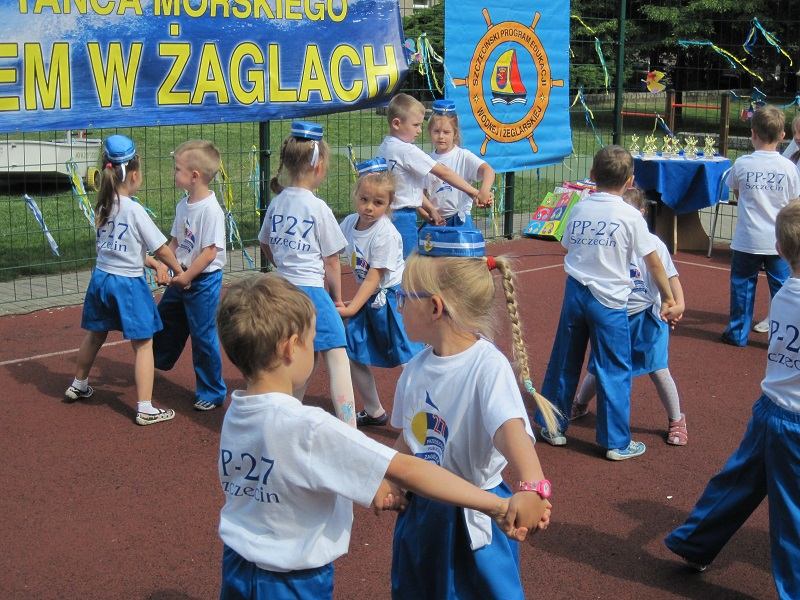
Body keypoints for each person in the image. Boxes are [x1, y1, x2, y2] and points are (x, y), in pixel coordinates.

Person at [215, 273, 537, 599]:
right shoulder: (309, 427)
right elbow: (405, 467)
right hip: (291, 582)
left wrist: (379, 487)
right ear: (289, 349)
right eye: (312, 342)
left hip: (237, 564)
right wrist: (498, 505)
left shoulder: (237, 413)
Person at [389, 227, 556, 599]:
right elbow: (409, 439)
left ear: (435, 307)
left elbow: (510, 430)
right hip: (423, 516)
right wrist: (389, 479)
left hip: (477, 517)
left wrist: (533, 487)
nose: (398, 306)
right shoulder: (414, 370)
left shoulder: (486, 366)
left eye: (403, 296)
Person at [664, 199, 800, 600]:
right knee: (791, 512)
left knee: (739, 481)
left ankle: (695, 542)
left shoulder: (786, 294)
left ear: (780, 248)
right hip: (793, 420)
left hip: (772, 408)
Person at [537, 145, 678, 461]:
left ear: (591, 175)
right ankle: (616, 442)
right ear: (630, 181)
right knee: (614, 367)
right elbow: (653, 261)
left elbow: (567, 245)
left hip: (576, 293)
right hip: (611, 301)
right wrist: (668, 297)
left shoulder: (580, 208)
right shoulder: (631, 216)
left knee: (564, 360)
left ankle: (553, 427)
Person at [64, 135, 184, 426]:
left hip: (101, 279)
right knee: (143, 343)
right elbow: (161, 248)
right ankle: (145, 407)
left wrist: (152, 263)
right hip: (128, 285)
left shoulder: (103, 205)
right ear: (134, 174)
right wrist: (178, 270)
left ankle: (78, 384)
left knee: (95, 334)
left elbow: (120, 249)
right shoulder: (135, 210)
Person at [570, 188, 688, 445]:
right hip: (615, 314)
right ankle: (580, 403)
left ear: (641, 214)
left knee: (658, 369)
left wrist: (678, 304)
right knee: (600, 367)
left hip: (647, 317)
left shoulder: (654, 244)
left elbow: (671, 276)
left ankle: (676, 418)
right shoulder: (612, 240)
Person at [257, 121, 356, 426]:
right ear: (319, 166)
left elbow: (264, 242)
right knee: (337, 355)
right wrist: (337, 298)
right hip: (311, 291)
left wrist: (281, 265)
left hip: (282, 289)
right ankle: (349, 426)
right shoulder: (318, 207)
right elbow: (332, 260)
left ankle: (287, 418)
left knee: (296, 356)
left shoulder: (277, 202)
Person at [336, 158, 423, 427]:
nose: (369, 207)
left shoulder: (385, 233)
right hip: (369, 297)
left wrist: (351, 308)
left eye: (378, 202)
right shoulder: (350, 223)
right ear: (355, 196)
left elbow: (374, 276)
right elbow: (331, 249)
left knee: (409, 357)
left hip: (392, 299)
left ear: (389, 204)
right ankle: (374, 410)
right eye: (364, 199)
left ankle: (426, 410)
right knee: (352, 350)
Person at [152, 140, 228, 411]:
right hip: (182, 275)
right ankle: (155, 362)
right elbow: (176, 242)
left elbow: (209, 252)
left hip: (203, 281)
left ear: (194, 176)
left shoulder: (211, 210)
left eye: (177, 169)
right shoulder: (183, 205)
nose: (173, 173)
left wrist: (186, 277)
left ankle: (212, 391)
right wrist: (164, 264)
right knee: (164, 319)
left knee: (203, 335)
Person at [721, 105, 800, 347]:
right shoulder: (788, 167)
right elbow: (793, 202)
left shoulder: (742, 163)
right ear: (782, 136)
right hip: (779, 240)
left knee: (742, 286)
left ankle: (738, 333)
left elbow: (736, 191)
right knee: (782, 287)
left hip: (748, 238)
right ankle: (783, 333)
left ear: (753, 133)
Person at [378, 93, 491, 257]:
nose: (419, 130)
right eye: (416, 125)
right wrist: (475, 193)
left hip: (390, 214)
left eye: (420, 125)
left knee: (393, 260)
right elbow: (444, 173)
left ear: (455, 133)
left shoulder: (385, 147)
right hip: (403, 216)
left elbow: (408, 188)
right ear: (396, 123)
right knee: (409, 263)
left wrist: (430, 209)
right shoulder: (407, 150)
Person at [424, 99, 495, 228]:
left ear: (455, 133)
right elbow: (421, 194)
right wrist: (427, 214)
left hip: (461, 220)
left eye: (446, 132)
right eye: (436, 131)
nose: (441, 136)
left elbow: (488, 170)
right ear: (430, 132)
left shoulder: (463, 156)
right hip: (436, 221)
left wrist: (484, 192)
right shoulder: (427, 160)